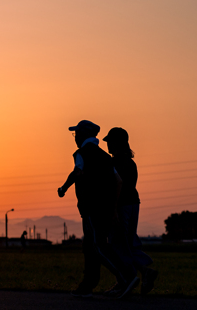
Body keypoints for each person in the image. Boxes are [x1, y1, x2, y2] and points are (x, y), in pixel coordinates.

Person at [58, 120, 138, 298]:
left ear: (83, 135)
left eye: (76, 134)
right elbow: (118, 182)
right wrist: (113, 207)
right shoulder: (105, 157)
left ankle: (126, 276)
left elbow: (77, 172)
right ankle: (88, 285)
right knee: (92, 245)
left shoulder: (80, 153)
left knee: (98, 245)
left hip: (91, 208)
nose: (75, 138)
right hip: (105, 208)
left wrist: (63, 188)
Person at [103, 127, 158, 295]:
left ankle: (127, 279)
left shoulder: (116, 163)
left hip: (122, 206)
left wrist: (113, 211)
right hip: (133, 204)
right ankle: (140, 273)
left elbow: (116, 187)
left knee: (117, 245)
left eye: (110, 142)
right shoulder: (130, 162)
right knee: (127, 243)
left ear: (117, 143)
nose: (107, 145)